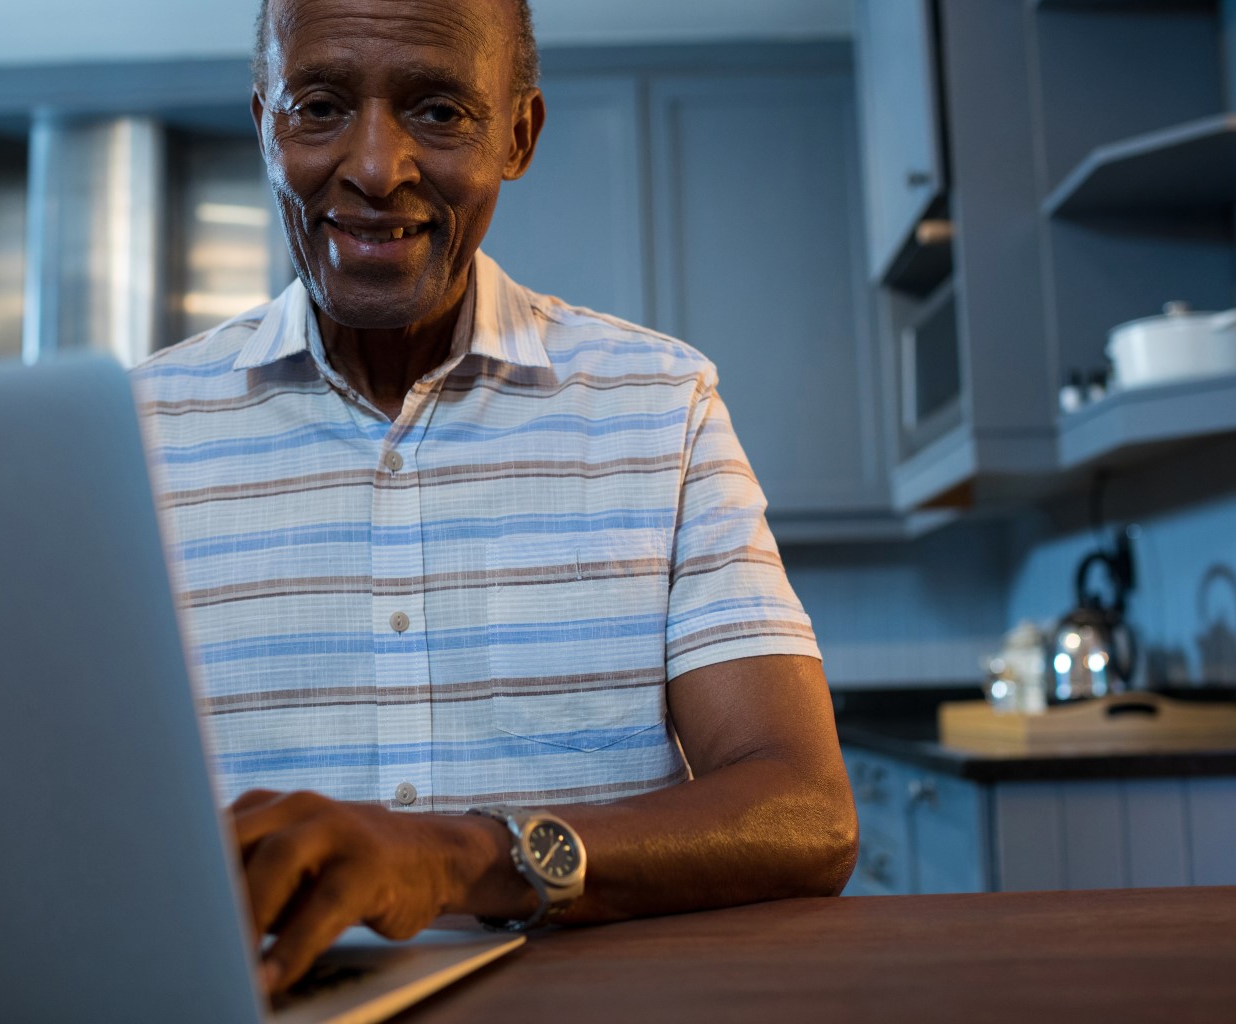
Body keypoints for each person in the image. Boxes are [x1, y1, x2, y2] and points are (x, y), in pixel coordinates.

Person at [131, 0, 857, 995]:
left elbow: (806, 810)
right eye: (320, 106)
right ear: (266, 124)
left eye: (437, 111)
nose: (377, 167)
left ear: (518, 135)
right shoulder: (135, 435)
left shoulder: (657, 405)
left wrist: (461, 857)